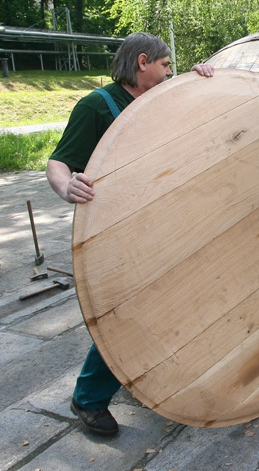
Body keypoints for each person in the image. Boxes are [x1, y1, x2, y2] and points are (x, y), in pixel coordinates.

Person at [47, 32, 214, 435]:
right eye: (166, 65)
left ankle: (151, 374)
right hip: (117, 230)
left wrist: (204, 80)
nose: (170, 71)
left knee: (176, 303)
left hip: (168, 222)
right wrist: (66, 185)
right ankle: (87, 399)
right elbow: (58, 162)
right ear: (143, 62)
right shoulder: (96, 107)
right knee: (125, 316)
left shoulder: (166, 97)